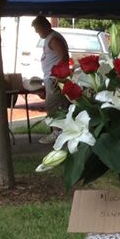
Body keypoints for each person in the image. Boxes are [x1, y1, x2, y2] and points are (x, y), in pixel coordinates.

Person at [32, 16, 69, 144]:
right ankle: (57, 131)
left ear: (45, 26)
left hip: (54, 78)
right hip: (50, 77)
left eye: (38, 29)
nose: (37, 33)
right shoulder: (49, 39)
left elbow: (64, 57)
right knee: (53, 105)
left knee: (54, 105)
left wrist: (58, 75)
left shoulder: (54, 39)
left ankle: (58, 132)